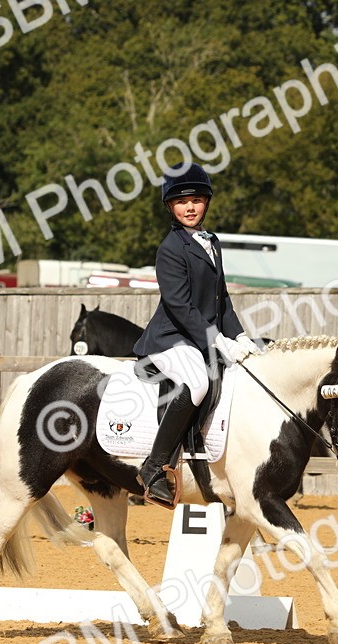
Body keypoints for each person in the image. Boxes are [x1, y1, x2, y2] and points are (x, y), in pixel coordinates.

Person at [132, 163, 261, 508]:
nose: (190, 207)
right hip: (171, 338)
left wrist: (241, 336)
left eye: (196, 200)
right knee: (198, 384)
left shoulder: (212, 242)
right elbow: (180, 305)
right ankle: (154, 467)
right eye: (181, 201)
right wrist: (216, 339)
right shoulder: (170, 248)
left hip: (200, 336)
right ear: (170, 207)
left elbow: (222, 299)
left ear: (206, 203)